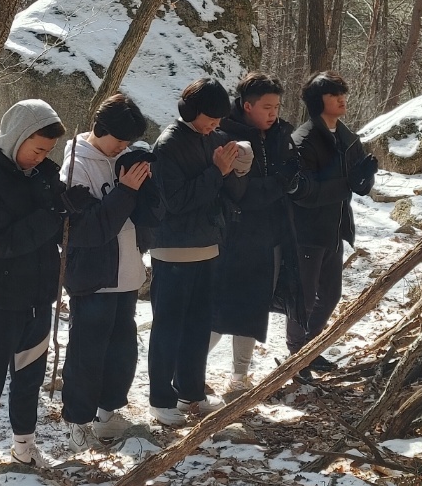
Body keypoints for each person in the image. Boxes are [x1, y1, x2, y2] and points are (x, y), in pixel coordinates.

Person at [0, 99, 89, 479]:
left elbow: (56, 222)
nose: (41, 157)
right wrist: (53, 213)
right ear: (17, 137)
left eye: (47, 151)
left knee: (29, 378)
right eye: (37, 149)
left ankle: (24, 446)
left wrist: (71, 208)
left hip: (37, 297)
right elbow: (1, 241)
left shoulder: (44, 176)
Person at [146, 78, 247, 425]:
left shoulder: (216, 139)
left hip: (207, 247)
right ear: (191, 111)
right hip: (173, 250)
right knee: (168, 329)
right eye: (210, 118)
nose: (214, 125)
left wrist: (237, 170)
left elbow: (231, 192)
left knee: (198, 327)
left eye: (219, 120)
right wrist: (217, 172)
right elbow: (176, 202)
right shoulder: (168, 144)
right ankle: (160, 399)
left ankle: (191, 392)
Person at [60, 94, 153, 449]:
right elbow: (87, 230)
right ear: (100, 128)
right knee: (87, 353)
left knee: (122, 350)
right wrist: (126, 190)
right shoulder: (75, 166)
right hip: (93, 277)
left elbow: (146, 214)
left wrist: (147, 187)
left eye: (128, 142)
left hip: (127, 272)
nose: (122, 147)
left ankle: (107, 413)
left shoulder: (126, 158)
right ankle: (78, 422)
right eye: (119, 140)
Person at [210, 72, 300, 392]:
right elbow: (243, 194)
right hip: (234, 236)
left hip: (272, 236)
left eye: (276, 106)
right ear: (247, 106)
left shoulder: (280, 134)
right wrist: (281, 181)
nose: (273, 113)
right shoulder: (226, 136)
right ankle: (186, 373)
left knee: (254, 310)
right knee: (221, 312)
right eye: (266, 107)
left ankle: (239, 377)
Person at [287, 71, 377, 376]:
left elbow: (359, 186)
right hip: (306, 231)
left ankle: (309, 351)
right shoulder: (303, 140)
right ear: (317, 101)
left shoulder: (347, 138)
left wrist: (365, 178)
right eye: (333, 94)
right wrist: (346, 183)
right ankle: (296, 357)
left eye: (342, 93)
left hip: (335, 229)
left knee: (329, 296)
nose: (341, 99)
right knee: (303, 299)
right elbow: (302, 191)